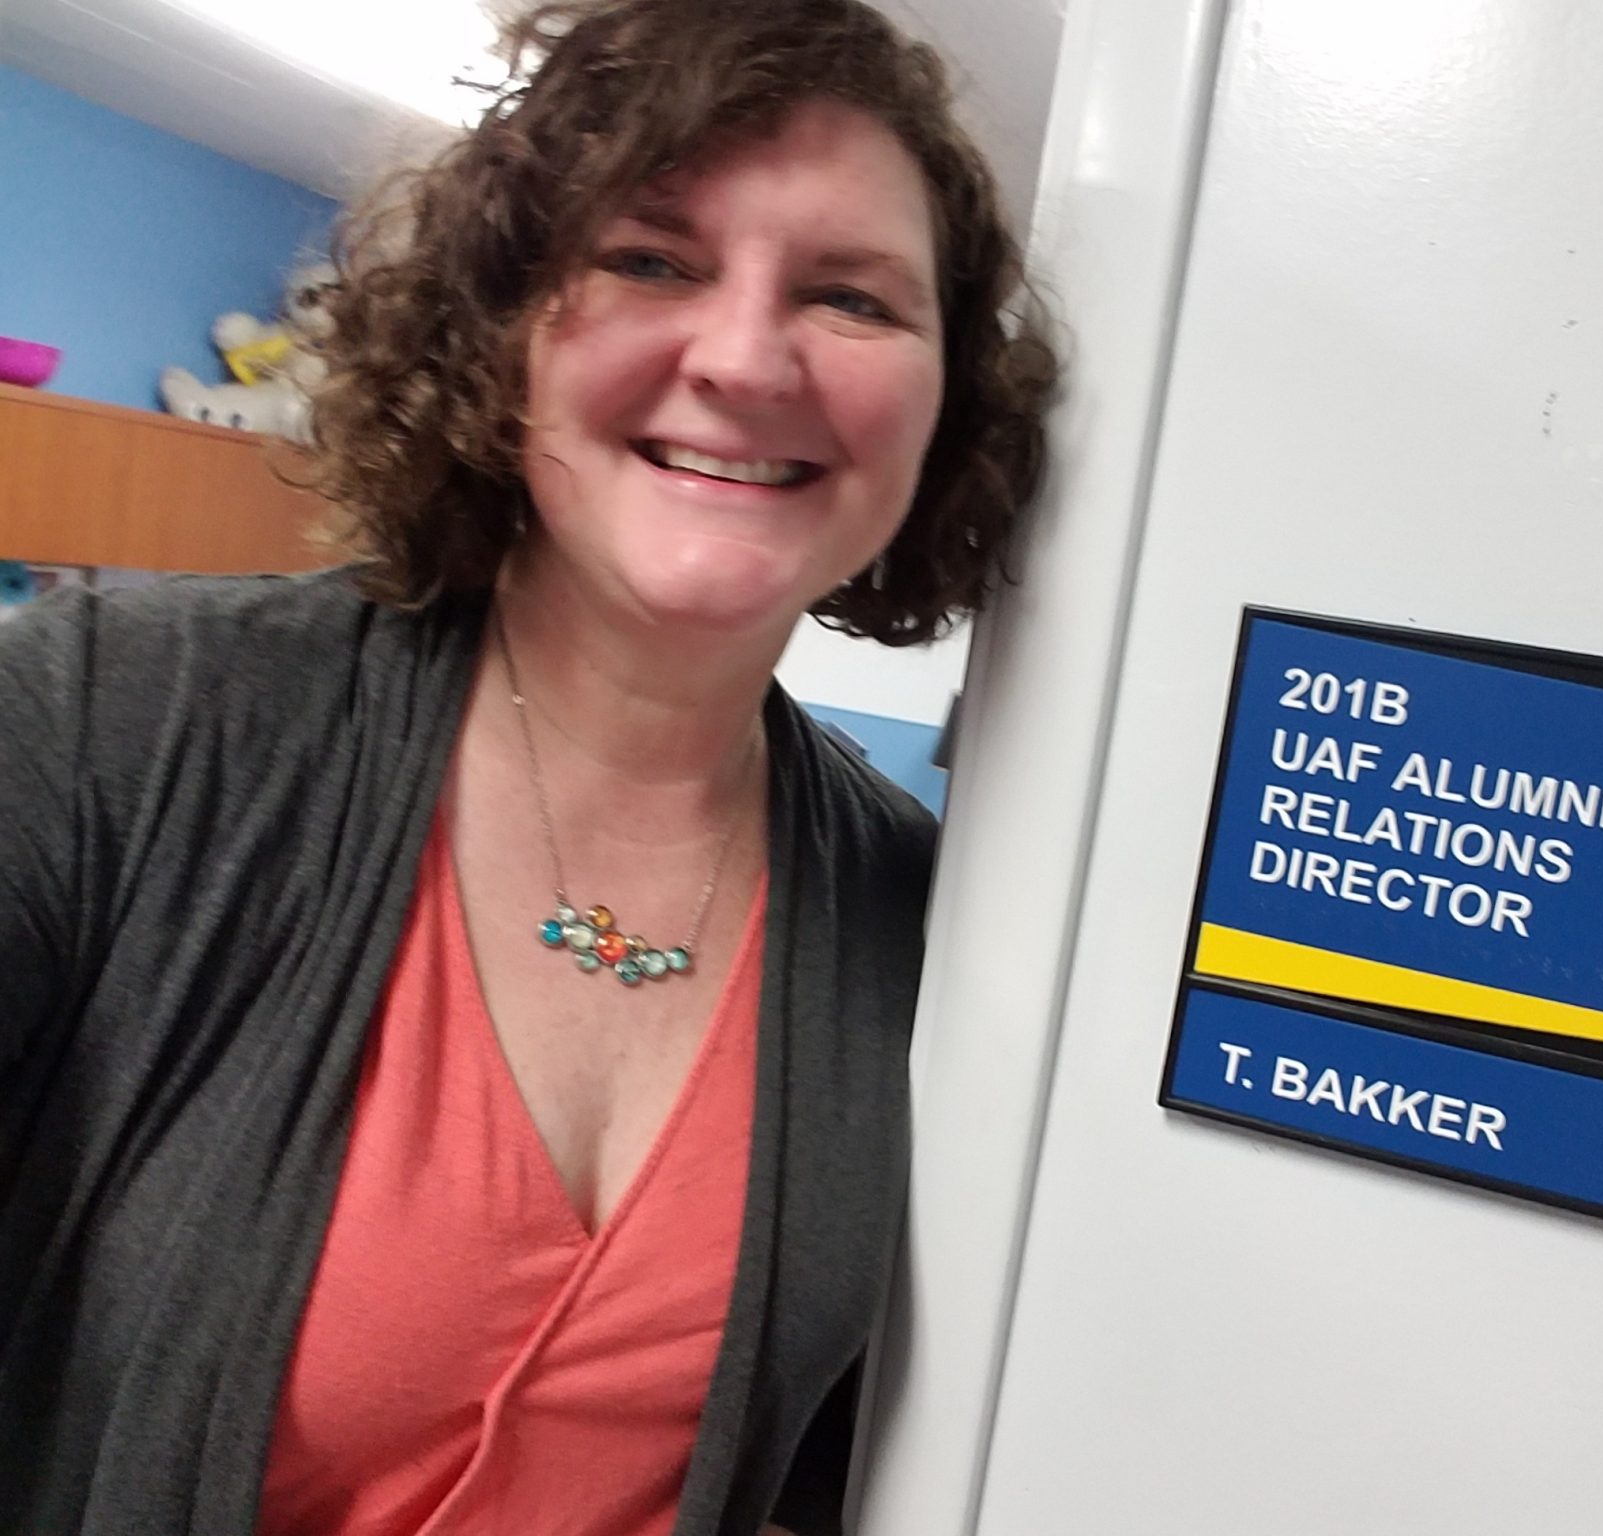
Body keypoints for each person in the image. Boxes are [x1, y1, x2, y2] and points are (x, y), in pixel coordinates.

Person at [0, 0, 1054, 1530]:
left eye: (851, 297)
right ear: (503, 333)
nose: (745, 358)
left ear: (946, 400)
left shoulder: (920, 917)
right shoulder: (112, 719)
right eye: (651, 260)